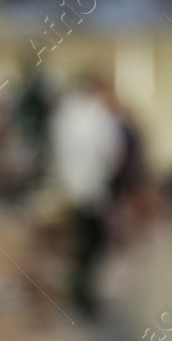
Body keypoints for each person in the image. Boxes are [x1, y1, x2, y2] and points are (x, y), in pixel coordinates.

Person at [49, 74, 123, 319]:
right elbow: (101, 153)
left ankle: (84, 293)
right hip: (83, 191)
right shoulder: (79, 117)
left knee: (93, 243)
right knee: (87, 243)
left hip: (89, 189)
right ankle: (80, 295)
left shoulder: (87, 116)